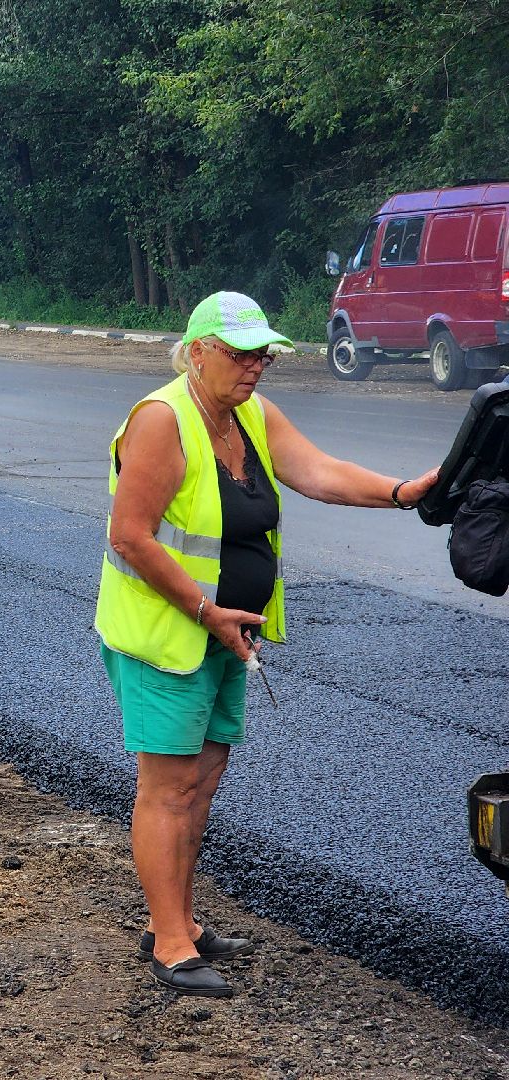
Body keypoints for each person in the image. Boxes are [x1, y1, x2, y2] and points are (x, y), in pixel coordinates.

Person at [95, 291, 440, 998]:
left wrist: (404, 492)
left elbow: (319, 472)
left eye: (264, 356)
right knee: (168, 787)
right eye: (240, 354)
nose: (255, 367)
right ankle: (168, 945)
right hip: (166, 638)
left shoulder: (250, 414)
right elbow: (129, 535)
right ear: (197, 352)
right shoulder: (162, 420)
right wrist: (205, 609)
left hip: (226, 634)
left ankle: (178, 921)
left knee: (203, 778)